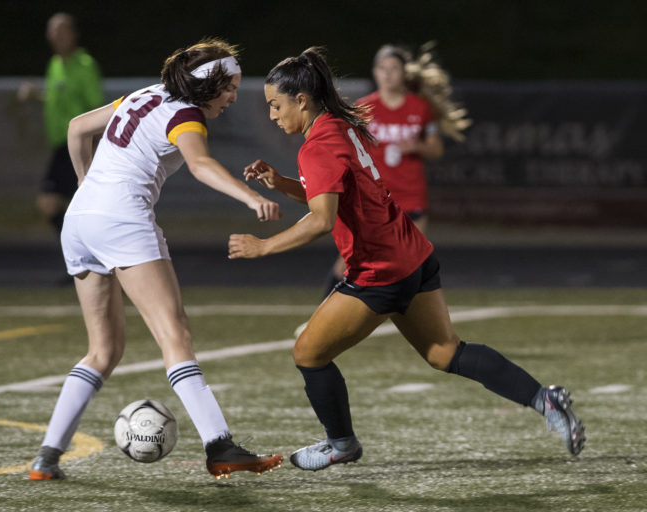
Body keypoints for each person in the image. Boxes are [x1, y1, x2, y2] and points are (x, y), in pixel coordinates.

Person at [228, 47, 585, 472]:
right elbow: (332, 195)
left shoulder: (318, 145)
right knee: (445, 352)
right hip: (413, 255)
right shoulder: (342, 126)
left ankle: (341, 444)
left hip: (380, 271)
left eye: (275, 104)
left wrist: (263, 246)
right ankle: (544, 400)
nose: (272, 115)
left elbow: (322, 219)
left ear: (301, 100)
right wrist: (281, 182)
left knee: (308, 353)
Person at [29, 38, 283, 481]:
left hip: (80, 220)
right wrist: (249, 197)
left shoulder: (145, 94)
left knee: (103, 350)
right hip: (121, 220)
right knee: (175, 335)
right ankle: (220, 446)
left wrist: (87, 182)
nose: (232, 97)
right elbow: (201, 165)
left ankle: (46, 458)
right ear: (209, 84)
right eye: (229, 87)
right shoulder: (186, 115)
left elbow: (76, 128)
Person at [321, 43, 471, 297]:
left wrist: (417, 145)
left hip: (411, 196)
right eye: (382, 68)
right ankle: (320, 317)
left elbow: (436, 149)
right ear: (375, 72)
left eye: (394, 68)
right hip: (375, 199)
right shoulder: (363, 108)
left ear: (404, 73)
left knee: (416, 263)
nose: (388, 74)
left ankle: (423, 324)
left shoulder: (420, 107)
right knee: (348, 263)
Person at [18, 12, 104, 236]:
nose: (56, 36)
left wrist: (93, 146)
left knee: (53, 202)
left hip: (77, 144)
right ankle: (85, 258)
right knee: (65, 205)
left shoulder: (85, 65)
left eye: (62, 30)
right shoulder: (55, 64)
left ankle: (85, 257)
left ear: (74, 34)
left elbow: (97, 107)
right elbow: (57, 95)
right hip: (60, 144)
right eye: (52, 31)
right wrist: (36, 95)